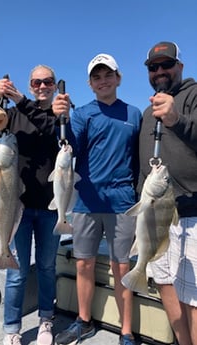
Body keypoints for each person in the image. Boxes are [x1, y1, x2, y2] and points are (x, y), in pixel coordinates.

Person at [52, 53, 142, 345]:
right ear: (90, 84)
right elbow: (69, 148)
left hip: (122, 203)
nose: (103, 81)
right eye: (96, 77)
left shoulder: (134, 114)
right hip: (85, 203)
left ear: (118, 78)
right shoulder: (82, 115)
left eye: (108, 75)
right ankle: (84, 321)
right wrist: (59, 120)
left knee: (123, 268)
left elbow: (140, 161)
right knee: (83, 265)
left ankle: (126, 331)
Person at [0, 65, 65, 345]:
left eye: (47, 81)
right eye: (36, 82)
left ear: (53, 85)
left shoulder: (59, 115)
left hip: (51, 208)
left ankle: (46, 320)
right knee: (17, 272)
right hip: (18, 209)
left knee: (47, 267)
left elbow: (48, 128)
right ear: (29, 85)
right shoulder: (11, 116)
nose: (42, 86)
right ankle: (11, 329)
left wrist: (20, 101)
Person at [139, 41, 197, 345]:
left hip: (192, 214)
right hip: (155, 214)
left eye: (166, 65)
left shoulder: (194, 95)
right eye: (153, 67)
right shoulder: (148, 112)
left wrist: (177, 120)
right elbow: (143, 165)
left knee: (193, 298)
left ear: (180, 67)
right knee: (165, 283)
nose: (160, 71)